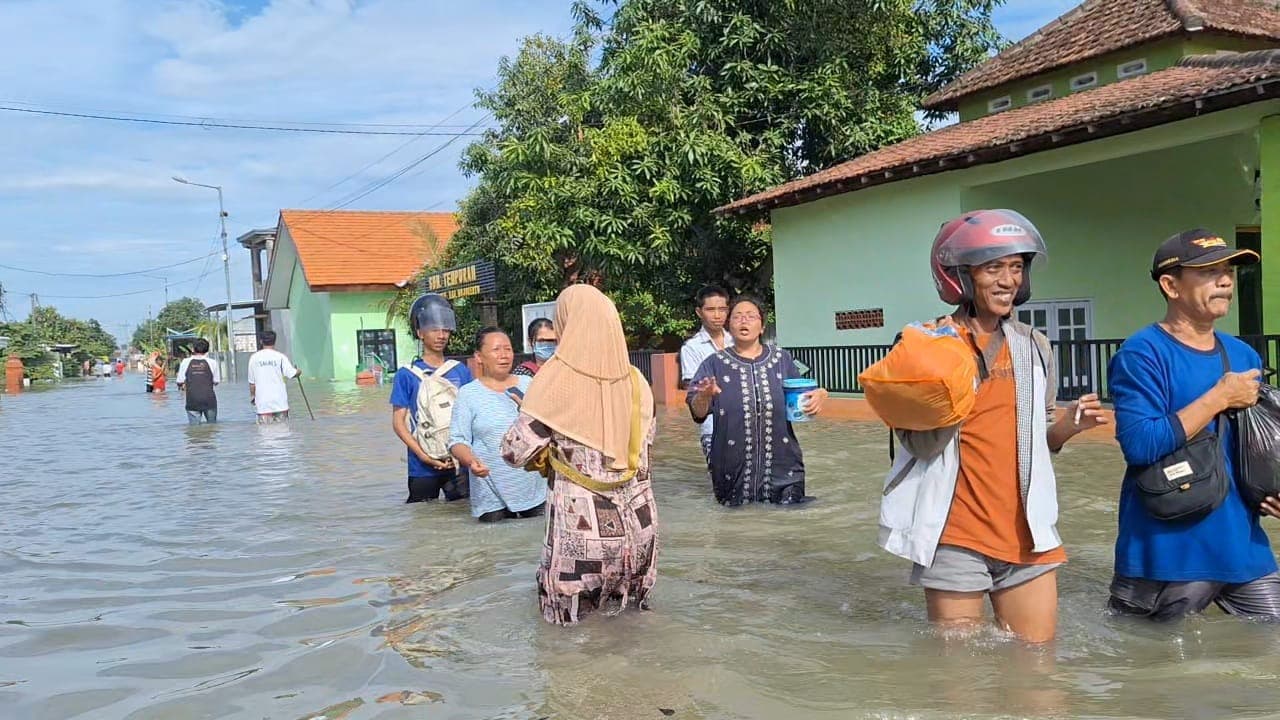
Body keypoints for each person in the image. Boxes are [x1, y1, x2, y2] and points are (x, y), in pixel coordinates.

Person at [879, 209, 1105, 644]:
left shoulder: (1035, 347)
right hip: (953, 532)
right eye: (993, 267)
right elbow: (915, 442)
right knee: (961, 683)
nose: (1008, 280)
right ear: (959, 276)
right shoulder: (925, 345)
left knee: (1040, 677)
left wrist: (1067, 427)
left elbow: (1040, 441)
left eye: (1016, 267)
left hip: (1028, 534)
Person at [1108, 228, 1280, 621]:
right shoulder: (1141, 353)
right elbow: (1139, 444)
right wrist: (1218, 398)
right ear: (1170, 285)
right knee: (1154, 666)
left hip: (1243, 549)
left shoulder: (1242, 353)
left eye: (1228, 272)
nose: (1224, 281)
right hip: (1167, 554)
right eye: (1208, 272)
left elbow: (1262, 443)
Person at [501, 284, 658, 625]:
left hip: (582, 537)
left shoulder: (556, 382)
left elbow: (514, 453)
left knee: (568, 644)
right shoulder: (637, 382)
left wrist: (528, 413)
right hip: (641, 528)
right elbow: (647, 443)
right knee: (631, 626)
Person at [687, 295, 828, 505]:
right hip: (732, 471)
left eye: (751, 316)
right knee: (738, 532)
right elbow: (697, 413)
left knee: (789, 527)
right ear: (729, 326)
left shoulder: (782, 359)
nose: (744, 321)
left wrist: (821, 394)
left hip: (785, 468)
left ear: (762, 327)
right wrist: (704, 395)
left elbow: (806, 394)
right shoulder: (713, 364)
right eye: (737, 317)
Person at [449, 327, 547, 522]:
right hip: (490, 491)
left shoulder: (529, 384)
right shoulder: (468, 394)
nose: (504, 355)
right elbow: (457, 441)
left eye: (508, 349)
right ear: (479, 356)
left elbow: (549, 428)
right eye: (496, 350)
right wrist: (471, 461)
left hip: (534, 489)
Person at [391, 293, 473, 503]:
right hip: (422, 467)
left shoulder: (460, 371)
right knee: (423, 521)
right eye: (434, 329)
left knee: (461, 517)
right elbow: (399, 423)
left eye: (446, 329)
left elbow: (472, 414)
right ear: (420, 332)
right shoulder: (406, 375)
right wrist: (423, 456)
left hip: (458, 461)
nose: (441, 335)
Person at [680, 285, 730, 462]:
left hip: (745, 429)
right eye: (710, 309)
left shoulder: (738, 341)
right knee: (720, 484)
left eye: (722, 309)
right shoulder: (691, 348)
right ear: (699, 312)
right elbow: (694, 390)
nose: (717, 315)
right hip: (713, 430)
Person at [247, 330, 300, 422]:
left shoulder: (254, 358)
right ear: (274, 341)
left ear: (261, 341)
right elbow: (292, 374)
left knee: (265, 434)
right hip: (280, 404)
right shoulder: (280, 357)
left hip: (263, 405)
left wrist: (253, 397)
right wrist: (298, 371)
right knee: (283, 433)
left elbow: (252, 384)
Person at [176, 338, 220, 424]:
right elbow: (216, 381)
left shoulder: (185, 362)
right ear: (207, 349)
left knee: (194, 430)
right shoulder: (213, 362)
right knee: (212, 428)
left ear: (193, 349)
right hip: (209, 400)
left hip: (192, 401)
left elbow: (179, 381)